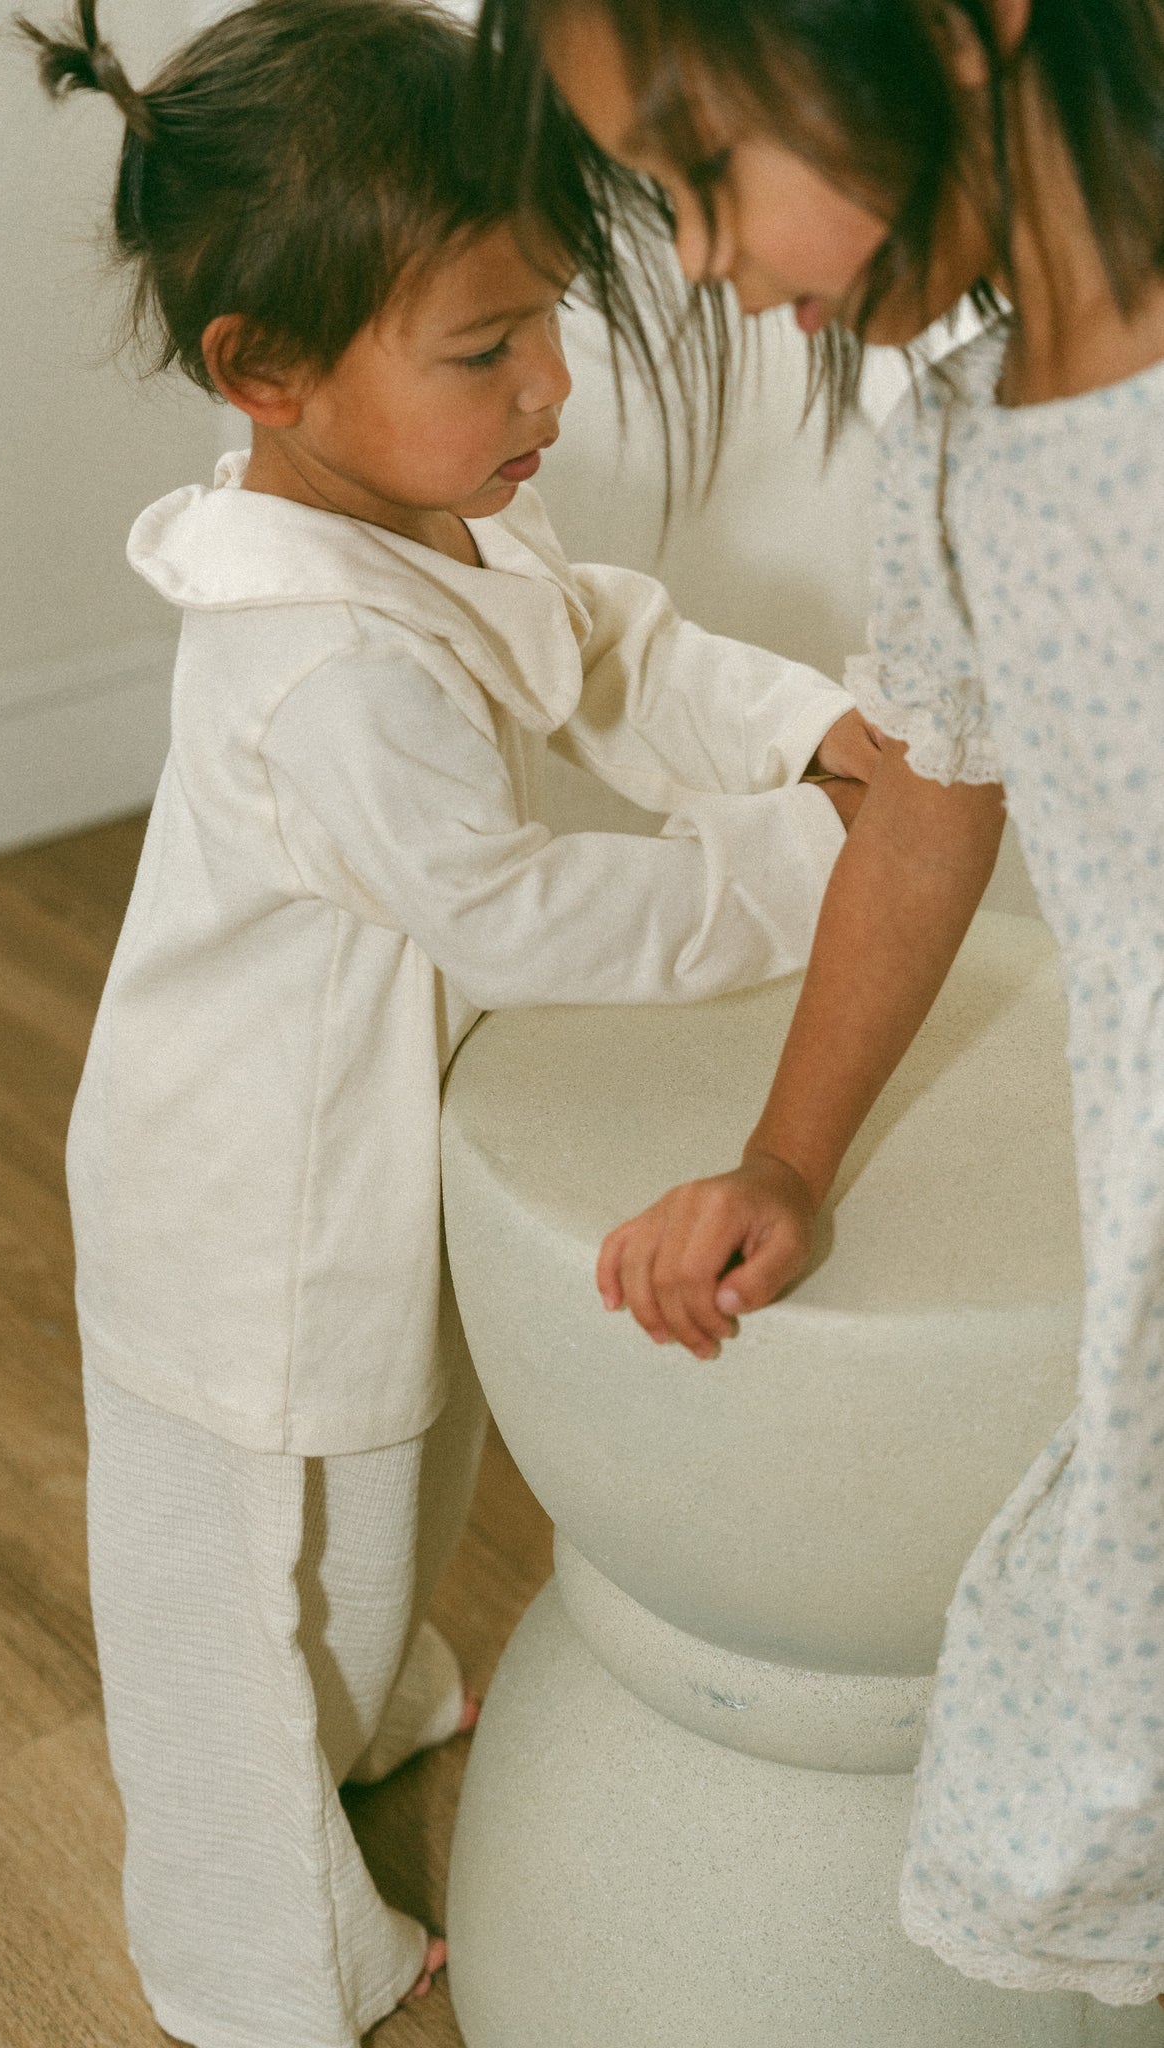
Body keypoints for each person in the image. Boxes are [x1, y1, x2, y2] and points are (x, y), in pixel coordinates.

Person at [17, 2, 875, 2041]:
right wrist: (800, 867)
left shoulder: (440, 507)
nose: (550, 389)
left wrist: (810, 732)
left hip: (371, 1140)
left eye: (547, 322)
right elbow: (511, 906)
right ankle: (254, 1957)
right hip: (233, 1203)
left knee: (392, 1485)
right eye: (485, 352)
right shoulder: (315, 665)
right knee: (234, 1596)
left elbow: (606, 648)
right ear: (267, 377)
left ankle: (377, 1699)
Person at [481, 0, 1164, 2008]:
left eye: (700, 171)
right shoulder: (956, 453)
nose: (694, 257)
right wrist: (786, 1150)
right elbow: (931, 795)